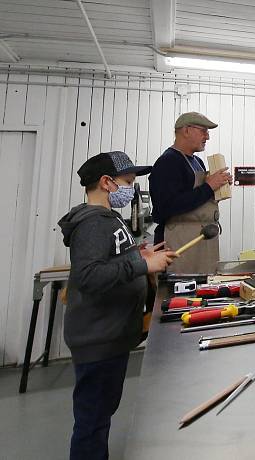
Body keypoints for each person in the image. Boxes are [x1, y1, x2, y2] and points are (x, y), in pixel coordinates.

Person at [58, 151, 177, 460]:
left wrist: (141, 254)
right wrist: (141, 266)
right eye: (128, 181)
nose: (132, 188)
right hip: (99, 339)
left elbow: (113, 260)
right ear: (106, 183)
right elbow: (90, 277)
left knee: (101, 415)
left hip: (111, 336)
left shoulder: (109, 220)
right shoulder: (93, 224)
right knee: (93, 422)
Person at [149, 112, 232, 273]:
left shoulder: (198, 162)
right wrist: (208, 187)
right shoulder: (168, 162)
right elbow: (166, 207)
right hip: (179, 242)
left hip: (201, 240)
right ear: (186, 130)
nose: (207, 137)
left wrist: (218, 189)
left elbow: (197, 199)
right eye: (203, 131)